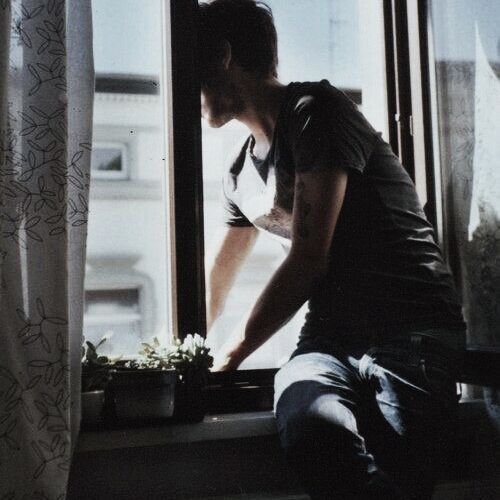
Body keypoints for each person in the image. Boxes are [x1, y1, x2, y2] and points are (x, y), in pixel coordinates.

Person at [198, 1, 466, 498]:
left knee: (402, 468)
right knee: (308, 426)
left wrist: (227, 358)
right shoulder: (238, 174)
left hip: (410, 325)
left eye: (191, 69)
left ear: (223, 56)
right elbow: (215, 281)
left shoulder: (314, 111)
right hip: (327, 339)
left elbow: (307, 259)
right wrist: (184, 352)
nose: (188, 91)